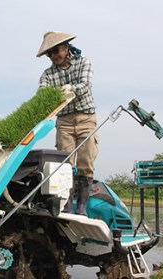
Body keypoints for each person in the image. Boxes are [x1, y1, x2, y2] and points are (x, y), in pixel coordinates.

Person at [37, 31, 98, 216]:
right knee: (65, 163)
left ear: (66, 48)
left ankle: (82, 207)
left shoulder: (83, 63)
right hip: (63, 121)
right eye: (49, 54)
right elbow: (42, 93)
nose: (53, 56)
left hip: (85, 118)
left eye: (56, 51)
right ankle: (68, 206)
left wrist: (70, 88)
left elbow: (86, 86)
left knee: (85, 161)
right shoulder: (47, 75)